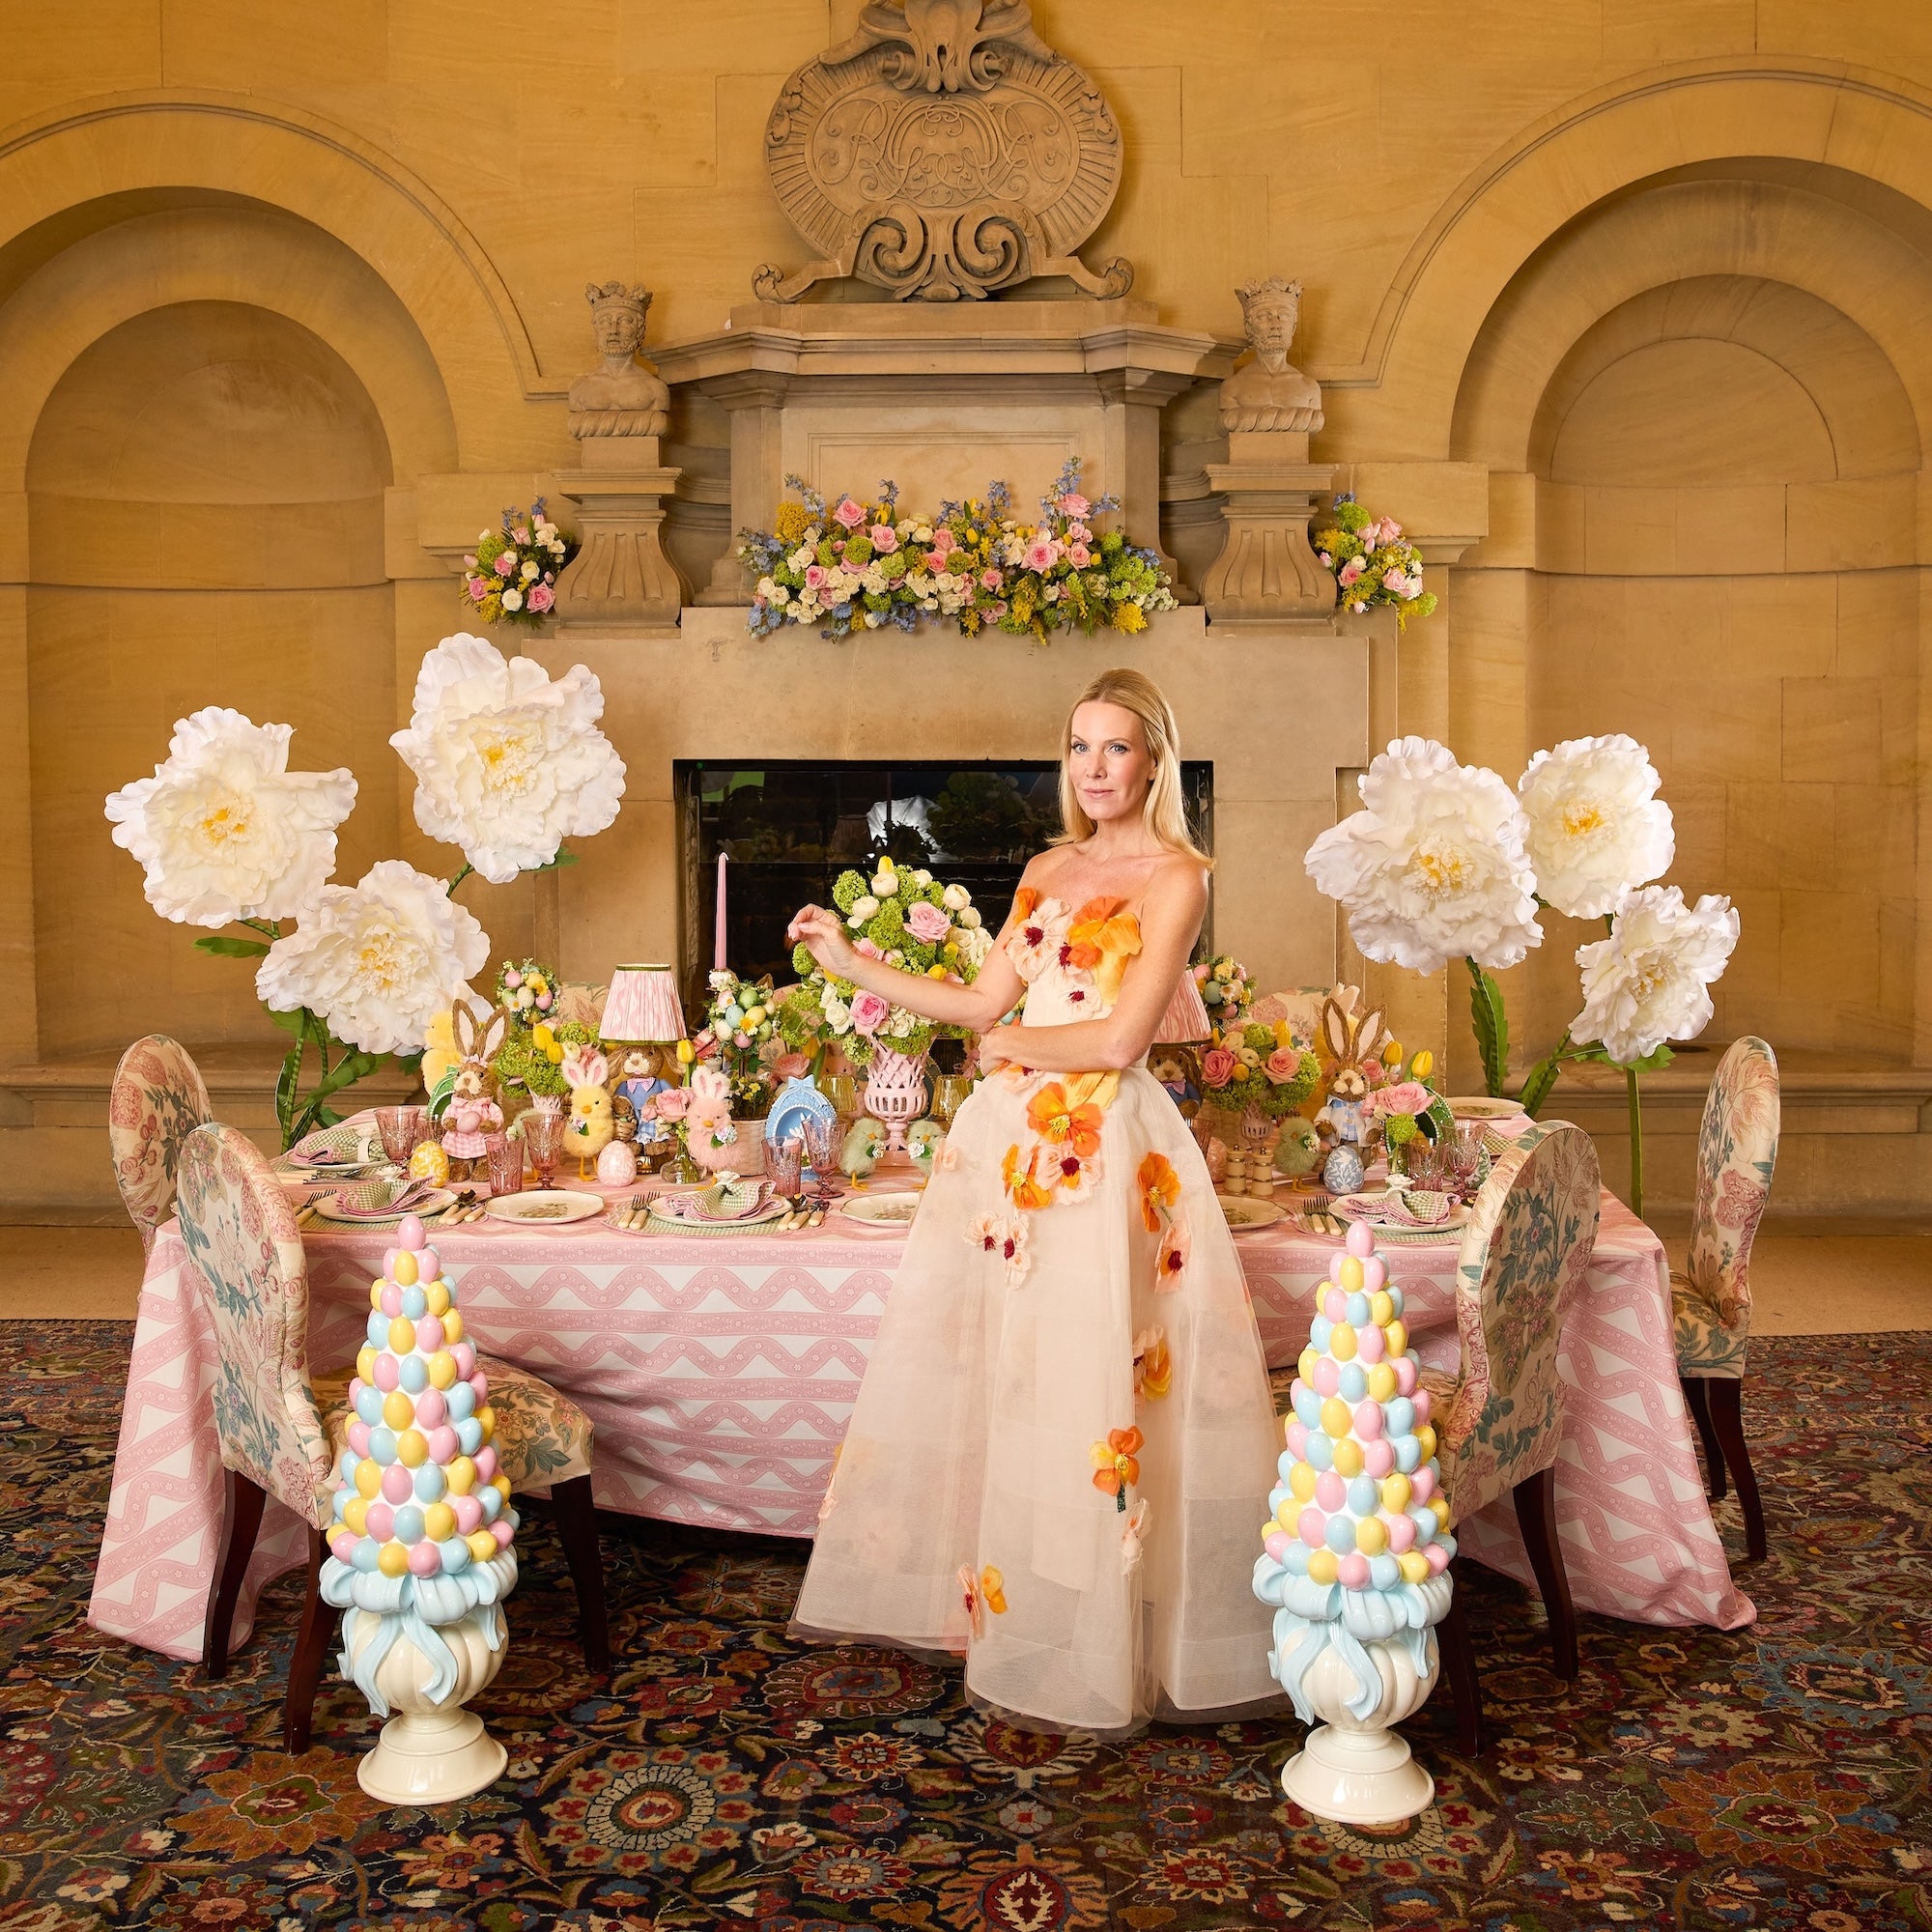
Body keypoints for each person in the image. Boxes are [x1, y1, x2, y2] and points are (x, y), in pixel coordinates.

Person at [787, 668, 1282, 1735]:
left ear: (1153, 758)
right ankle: (1041, 1601)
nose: (1093, 768)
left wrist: (1006, 1047)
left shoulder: (1177, 875)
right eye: (1076, 747)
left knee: (1101, 1372)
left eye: (1114, 748)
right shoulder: (1045, 869)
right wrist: (848, 959)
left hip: (1102, 1146)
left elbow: (1117, 1040)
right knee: (1023, 1372)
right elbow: (975, 1000)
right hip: (1014, 1154)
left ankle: (1112, 1621)